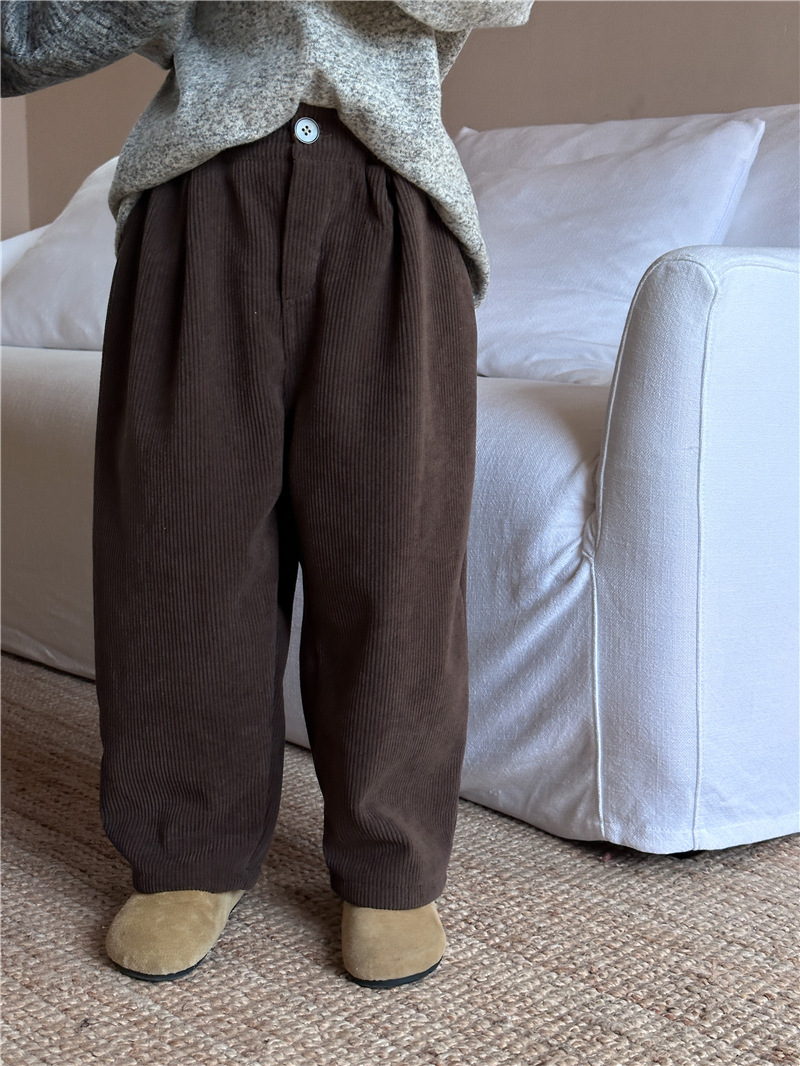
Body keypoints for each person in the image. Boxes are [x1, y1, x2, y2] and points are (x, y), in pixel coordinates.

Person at [2, 0, 533, 988]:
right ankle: (185, 850)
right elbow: (21, 43)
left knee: (393, 551)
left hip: (390, 202)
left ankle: (389, 863)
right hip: (197, 201)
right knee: (180, 546)